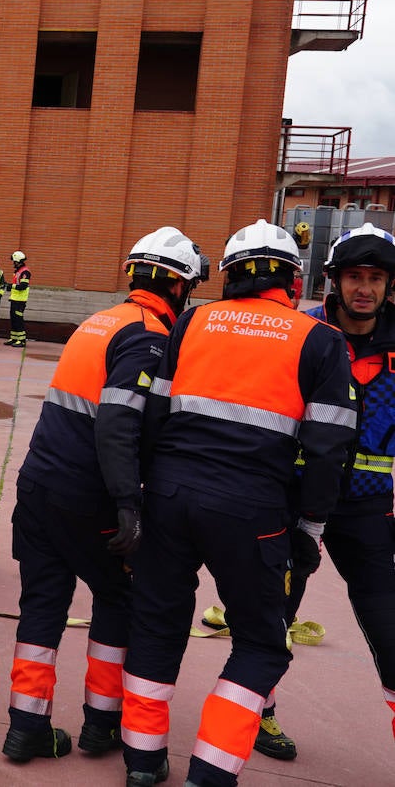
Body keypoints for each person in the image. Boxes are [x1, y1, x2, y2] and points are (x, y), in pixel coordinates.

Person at [120, 219, 356, 787]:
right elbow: (329, 451)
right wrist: (310, 530)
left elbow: (154, 412)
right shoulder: (320, 341)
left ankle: (143, 763)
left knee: (155, 625)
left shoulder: (193, 321)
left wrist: (148, 493)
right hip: (253, 511)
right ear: (293, 283)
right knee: (260, 644)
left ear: (228, 277)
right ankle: (211, 772)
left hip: (170, 497)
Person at [2, 227, 205, 765]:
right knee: (118, 597)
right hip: (86, 495)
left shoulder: (100, 321)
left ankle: (26, 728)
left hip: (38, 486)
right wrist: (129, 502)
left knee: (42, 605)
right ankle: (101, 723)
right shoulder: (148, 336)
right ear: (181, 288)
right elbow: (117, 422)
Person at [202, 222, 395, 759]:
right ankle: (258, 714)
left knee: (389, 626)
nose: (365, 288)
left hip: (366, 506)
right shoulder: (299, 332)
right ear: (333, 281)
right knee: (270, 619)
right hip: (290, 501)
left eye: (376, 278)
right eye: (354, 276)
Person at [5, 250, 31, 347]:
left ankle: (21, 340)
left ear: (18, 261)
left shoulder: (25, 272)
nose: (13, 263)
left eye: (14, 262)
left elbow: (23, 286)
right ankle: (14, 338)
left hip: (20, 301)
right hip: (15, 299)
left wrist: (11, 286)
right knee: (13, 319)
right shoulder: (18, 271)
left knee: (18, 319)